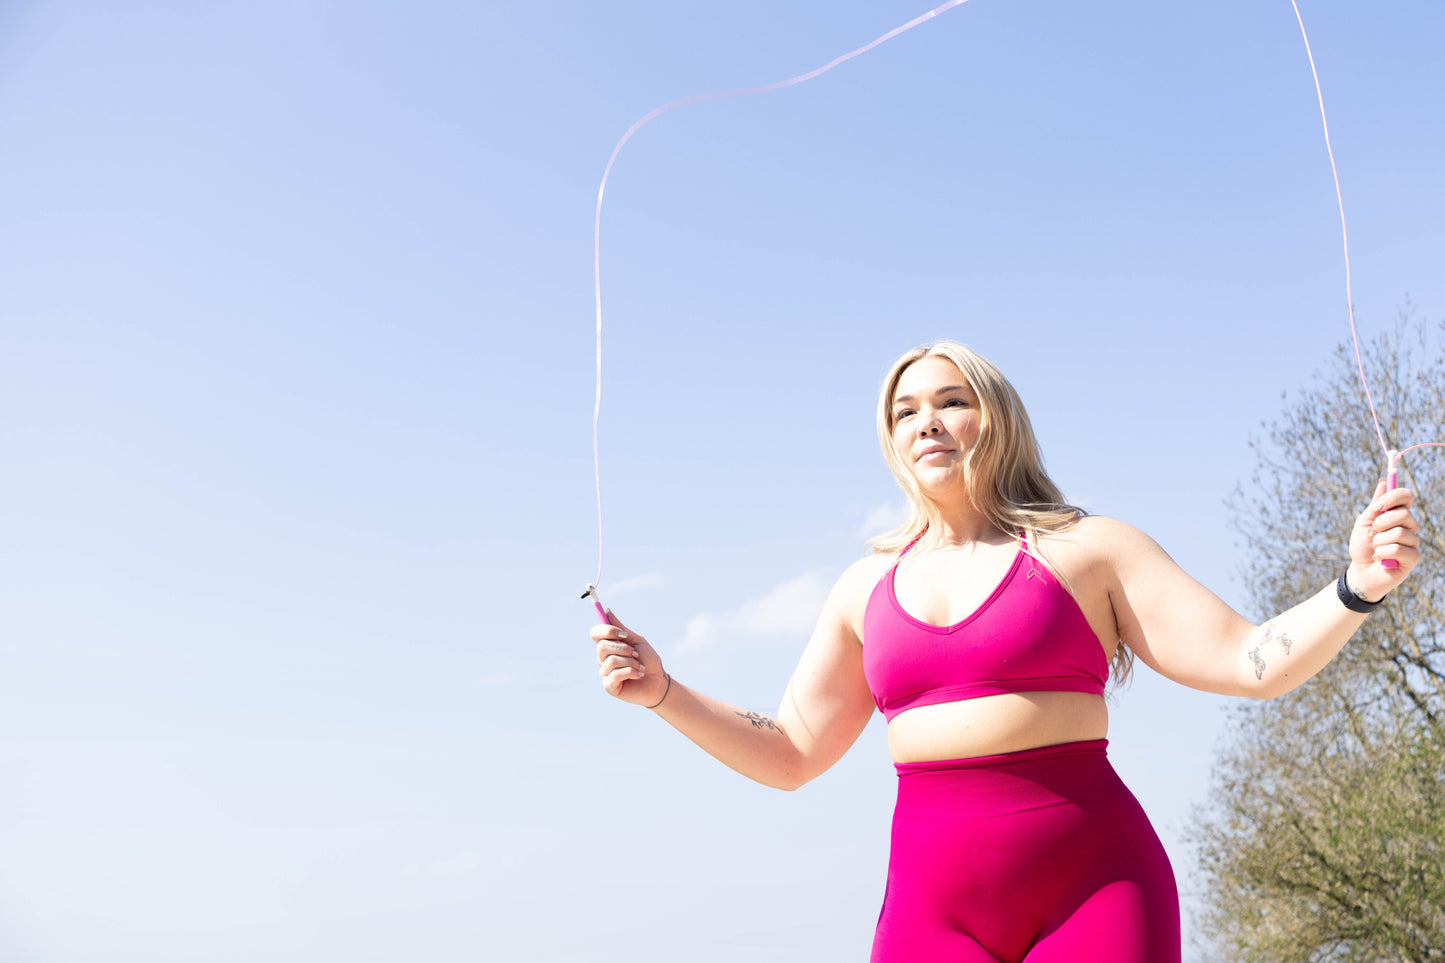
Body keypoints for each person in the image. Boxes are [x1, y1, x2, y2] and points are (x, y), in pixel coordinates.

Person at [590, 340, 1420, 963]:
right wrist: (665, 690)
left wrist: (1355, 588)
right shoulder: (860, 588)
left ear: (996, 417)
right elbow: (789, 753)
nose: (925, 421)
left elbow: (1251, 660)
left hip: (1096, 891)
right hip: (932, 908)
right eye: (903, 409)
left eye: (950, 401)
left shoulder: (1088, 550)